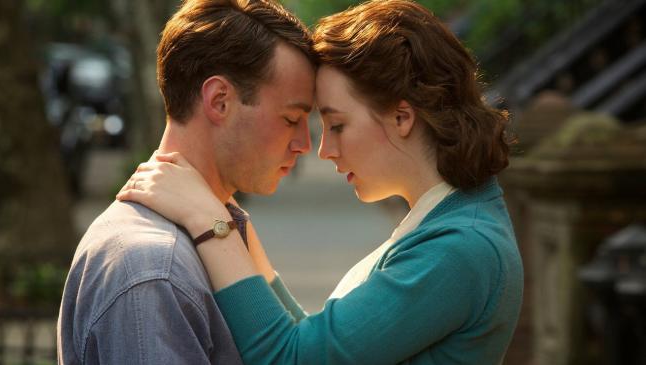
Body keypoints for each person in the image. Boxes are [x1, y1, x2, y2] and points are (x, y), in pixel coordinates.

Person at [118, 0, 524, 364]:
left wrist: (210, 222)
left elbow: (293, 357)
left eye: (338, 125)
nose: (323, 149)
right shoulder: (449, 222)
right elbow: (314, 339)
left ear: (402, 117)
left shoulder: (460, 249)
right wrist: (235, 225)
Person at [57, 0, 317, 363]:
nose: (305, 144)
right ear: (220, 100)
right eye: (291, 119)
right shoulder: (152, 269)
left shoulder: (203, 234)